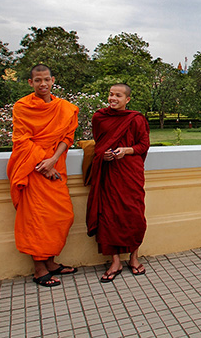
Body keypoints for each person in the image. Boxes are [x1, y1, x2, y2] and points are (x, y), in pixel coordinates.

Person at [6, 64, 79, 288]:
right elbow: (21, 140)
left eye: (46, 79)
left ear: (53, 80)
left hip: (55, 167)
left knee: (62, 216)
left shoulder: (63, 107)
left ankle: (51, 262)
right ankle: (39, 269)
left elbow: (67, 136)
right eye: (38, 80)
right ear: (31, 83)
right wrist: (44, 165)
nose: (43, 84)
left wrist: (53, 160)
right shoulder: (22, 107)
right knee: (36, 219)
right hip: (33, 170)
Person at [86, 83, 150, 282]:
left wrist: (126, 150)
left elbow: (143, 145)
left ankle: (134, 257)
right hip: (109, 173)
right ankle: (115, 261)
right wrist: (103, 155)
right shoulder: (99, 117)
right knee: (109, 216)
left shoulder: (136, 119)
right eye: (111, 94)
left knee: (134, 214)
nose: (113, 98)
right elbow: (99, 144)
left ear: (127, 99)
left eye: (118, 95)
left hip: (130, 173)